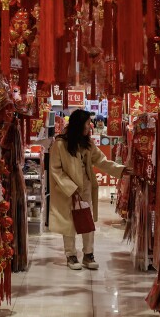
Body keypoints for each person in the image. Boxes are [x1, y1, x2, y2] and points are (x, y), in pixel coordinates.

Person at [48, 109, 130, 270]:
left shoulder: (87, 143)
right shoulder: (60, 144)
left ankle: (88, 254)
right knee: (69, 223)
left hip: (85, 189)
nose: (89, 126)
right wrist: (71, 189)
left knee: (87, 220)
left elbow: (101, 160)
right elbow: (55, 170)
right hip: (68, 191)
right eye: (87, 123)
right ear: (79, 125)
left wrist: (121, 170)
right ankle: (71, 255)